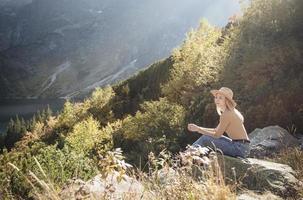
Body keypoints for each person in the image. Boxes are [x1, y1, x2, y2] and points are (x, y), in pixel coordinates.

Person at [187, 87, 250, 158]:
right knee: (206, 137)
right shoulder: (232, 111)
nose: (217, 100)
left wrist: (199, 130)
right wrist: (198, 128)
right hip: (241, 146)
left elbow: (217, 135)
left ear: (226, 100)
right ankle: (188, 156)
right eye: (216, 97)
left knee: (205, 139)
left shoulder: (227, 114)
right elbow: (216, 130)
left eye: (220, 98)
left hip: (239, 148)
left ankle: (185, 157)